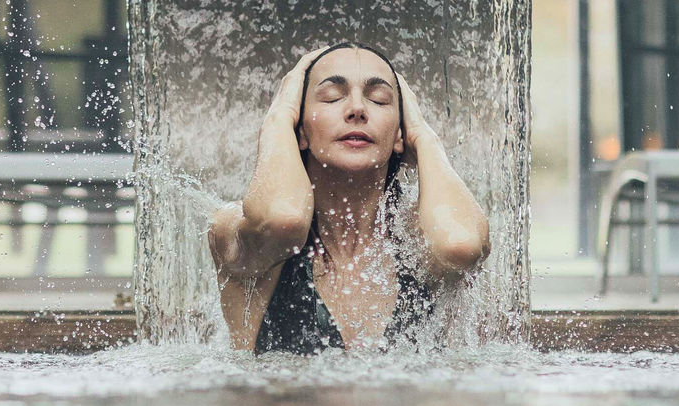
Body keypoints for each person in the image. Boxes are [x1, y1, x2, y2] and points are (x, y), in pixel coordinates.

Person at [208, 43, 491, 353]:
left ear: (399, 134)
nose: (357, 108)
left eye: (379, 99)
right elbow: (282, 220)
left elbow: (461, 245)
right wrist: (278, 117)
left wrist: (424, 137)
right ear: (301, 129)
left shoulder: (419, 240)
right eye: (332, 96)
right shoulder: (236, 233)